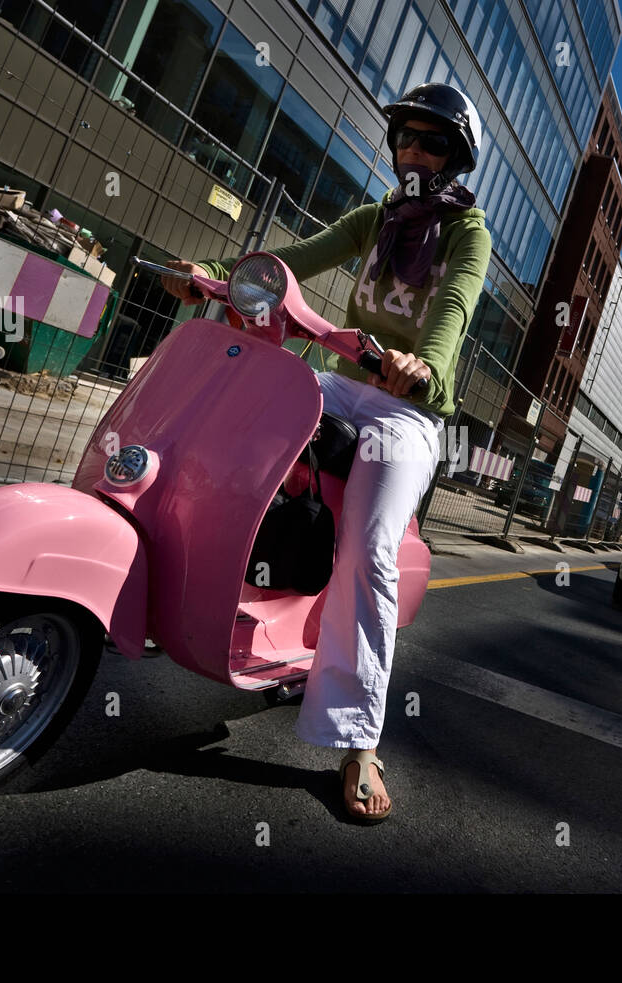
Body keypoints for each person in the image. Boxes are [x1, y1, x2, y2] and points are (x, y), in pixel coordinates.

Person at [160, 82, 491, 822]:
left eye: (432, 142)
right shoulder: (375, 218)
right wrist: (215, 277)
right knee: (243, 377)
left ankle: (360, 740)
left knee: (369, 549)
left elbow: (456, 304)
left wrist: (426, 365)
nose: (414, 151)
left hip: (407, 408)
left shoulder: (468, 232)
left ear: (455, 159)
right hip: (344, 383)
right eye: (406, 136)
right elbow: (290, 262)